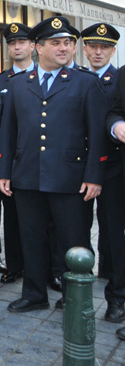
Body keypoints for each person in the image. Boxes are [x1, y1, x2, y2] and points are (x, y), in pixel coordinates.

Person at [0, 16, 104, 313]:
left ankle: (74, 297)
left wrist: (94, 175)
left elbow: (97, 135)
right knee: (31, 239)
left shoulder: (85, 83)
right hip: (28, 176)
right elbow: (8, 132)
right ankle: (34, 294)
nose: (64, 48)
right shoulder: (19, 84)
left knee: (73, 241)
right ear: (38, 47)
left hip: (70, 178)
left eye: (68, 43)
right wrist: (5, 172)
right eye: (56, 43)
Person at [81, 23, 125, 323]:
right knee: (79, 231)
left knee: (113, 235)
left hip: (114, 166)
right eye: (93, 46)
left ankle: (115, 292)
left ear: (113, 50)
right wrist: (116, 125)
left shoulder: (116, 77)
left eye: (105, 47)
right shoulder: (76, 78)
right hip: (82, 166)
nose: (98, 52)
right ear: (84, 48)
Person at [0, 23, 33, 285]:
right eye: (12, 43)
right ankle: (15, 265)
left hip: (35, 159)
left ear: (32, 46)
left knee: (42, 220)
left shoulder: (43, 76)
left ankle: (47, 269)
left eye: (22, 42)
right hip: (9, 160)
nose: (17, 47)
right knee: (13, 217)